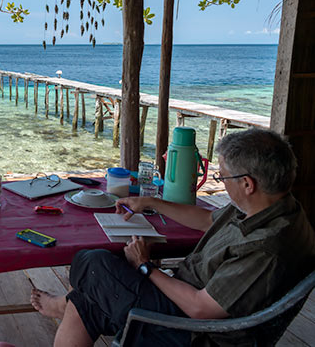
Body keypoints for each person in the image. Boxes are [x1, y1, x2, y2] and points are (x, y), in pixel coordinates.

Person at [31, 128, 315, 347]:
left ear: (247, 184)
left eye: (223, 178)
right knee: (90, 297)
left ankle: (61, 304)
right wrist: (151, 203)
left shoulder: (267, 246)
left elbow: (201, 308)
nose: (222, 183)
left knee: (92, 263)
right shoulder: (274, 206)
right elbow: (207, 220)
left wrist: (146, 266)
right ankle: (67, 303)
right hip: (185, 296)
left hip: (192, 331)